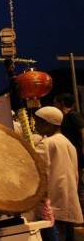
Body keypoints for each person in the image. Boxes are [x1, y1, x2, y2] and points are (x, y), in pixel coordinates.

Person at [34, 106, 83, 240]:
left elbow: (36, 170)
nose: (35, 125)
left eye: (37, 122)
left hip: (53, 205)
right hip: (68, 202)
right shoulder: (69, 144)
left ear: (46, 124)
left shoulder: (47, 143)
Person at [54, 92, 84, 223]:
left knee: (80, 183)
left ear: (61, 103)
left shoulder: (73, 115)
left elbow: (83, 131)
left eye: (55, 102)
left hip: (78, 155)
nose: (54, 105)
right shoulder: (66, 117)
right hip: (74, 155)